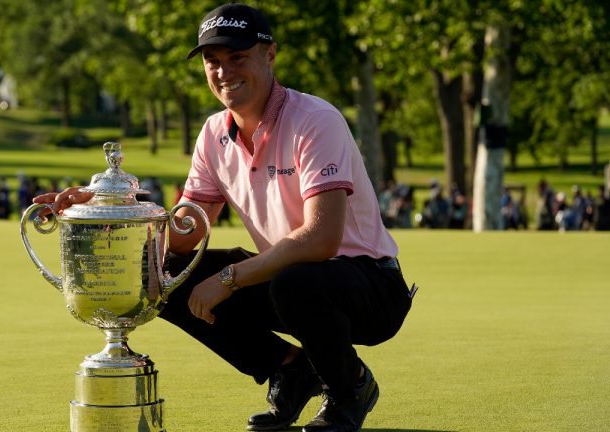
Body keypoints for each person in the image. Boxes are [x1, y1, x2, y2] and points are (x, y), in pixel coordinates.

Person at [34, 4, 414, 432]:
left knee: (296, 280)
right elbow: (183, 236)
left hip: (370, 286)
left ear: (269, 56)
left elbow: (321, 240)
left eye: (237, 58)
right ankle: (290, 368)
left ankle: (350, 388)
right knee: (167, 274)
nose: (223, 71)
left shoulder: (315, 120)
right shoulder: (214, 133)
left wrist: (229, 277)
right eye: (212, 61)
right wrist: (111, 203)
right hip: (293, 280)